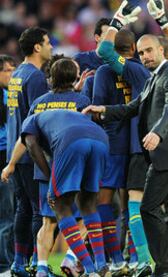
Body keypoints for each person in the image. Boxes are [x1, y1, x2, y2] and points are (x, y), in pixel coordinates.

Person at [83, 1, 168, 275]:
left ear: (160, 52)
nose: (144, 56)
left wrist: (119, 18)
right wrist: (163, 20)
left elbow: (104, 50)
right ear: (135, 50)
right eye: (142, 51)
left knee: (144, 206)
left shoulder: (147, 72)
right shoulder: (166, 70)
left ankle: (154, 263)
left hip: (158, 150)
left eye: (149, 51)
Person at [21, 110, 110, 277]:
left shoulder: (30, 121)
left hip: (71, 141)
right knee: (88, 204)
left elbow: (31, 145)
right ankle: (102, 266)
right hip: (101, 139)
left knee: (57, 202)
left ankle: (90, 270)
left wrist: (49, 179)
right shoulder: (65, 116)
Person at [92, 28, 151, 277]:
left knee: (104, 200)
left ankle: (115, 260)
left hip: (114, 143)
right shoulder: (143, 70)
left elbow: (96, 111)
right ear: (134, 49)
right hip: (139, 144)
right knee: (132, 203)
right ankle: (135, 257)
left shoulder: (104, 71)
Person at [6, 27, 51, 276]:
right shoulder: (34, 78)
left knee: (23, 208)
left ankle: (19, 263)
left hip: (16, 151)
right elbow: (39, 119)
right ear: (37, 47)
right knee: (38, 210)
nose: (51, 47)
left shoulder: (17, 75)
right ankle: (36, 263)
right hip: (30, 153)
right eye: (47, 43)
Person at [0, 55, 16, 273]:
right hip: (3, 156)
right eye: (8, 70)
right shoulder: (6, 97)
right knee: (6, 214)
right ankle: (4, 265)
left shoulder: (7, 94)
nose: (12, 75)